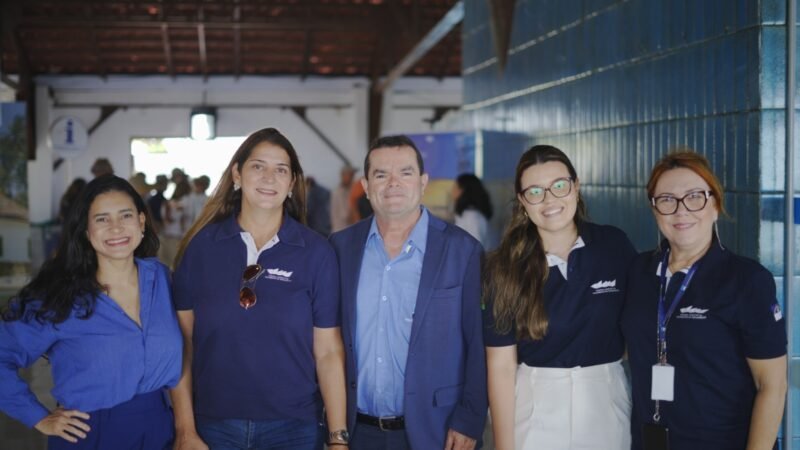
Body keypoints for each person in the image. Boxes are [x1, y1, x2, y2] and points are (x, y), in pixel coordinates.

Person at [171, 128, 348, 450]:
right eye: (258, 166)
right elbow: (181, 344)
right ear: (237, 174)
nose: (269, 177)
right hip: (213, 423)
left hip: (294, 426)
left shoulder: (316, 253)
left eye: (281, 170)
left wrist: (337, 439)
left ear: (292, 183)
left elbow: (328, 352)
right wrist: (184, 429)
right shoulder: (201, 249)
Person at [329, 135, 487, 450]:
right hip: (358, 432)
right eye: (381, 174)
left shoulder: (462, 250)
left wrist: (470, 418)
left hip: (438, 430)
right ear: (366, 184)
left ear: (423, 181)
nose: (393, 183)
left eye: (405, 172)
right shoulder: (339, 247)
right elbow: (327, 339)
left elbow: (479, 341)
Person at [0, 175, 181, 449]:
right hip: (91, 434)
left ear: (141, 222)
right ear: (85, 230)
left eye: (125, 215)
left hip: (160, 429)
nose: (116, 228)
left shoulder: (161, 279)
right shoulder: (59, 296)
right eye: (101, 219)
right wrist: (38, 417)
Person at [621, 151, 787, 450]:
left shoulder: (746, 280)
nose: (681, 210)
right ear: (655, 209)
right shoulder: (639, 272)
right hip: (651, 439)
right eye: (667, 199)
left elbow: (772, 386)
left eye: (695, 196)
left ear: (715, 205)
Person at [482, 145, 636, 450]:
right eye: (535, 191)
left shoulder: (612, 245)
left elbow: (637, 321)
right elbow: (501, 367)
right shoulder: (503, 267)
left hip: (606, 401)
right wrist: (503, 445)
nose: (550, 199)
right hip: (534, 407)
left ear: (576, 188)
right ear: (523, 202)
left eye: (559, 186)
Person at [452, 173, 493, 249]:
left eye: (455, 187)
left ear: (463, 190)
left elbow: (474, 251)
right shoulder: (466, 215)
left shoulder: (472, 218)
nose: (452, 191)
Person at [331, 166, 356, 232]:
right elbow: (345, 215)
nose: (352, 178)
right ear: (343, 176)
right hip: (342, 231)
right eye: (350, 175)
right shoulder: (339, 192)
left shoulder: (348, 190)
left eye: (352, 175)